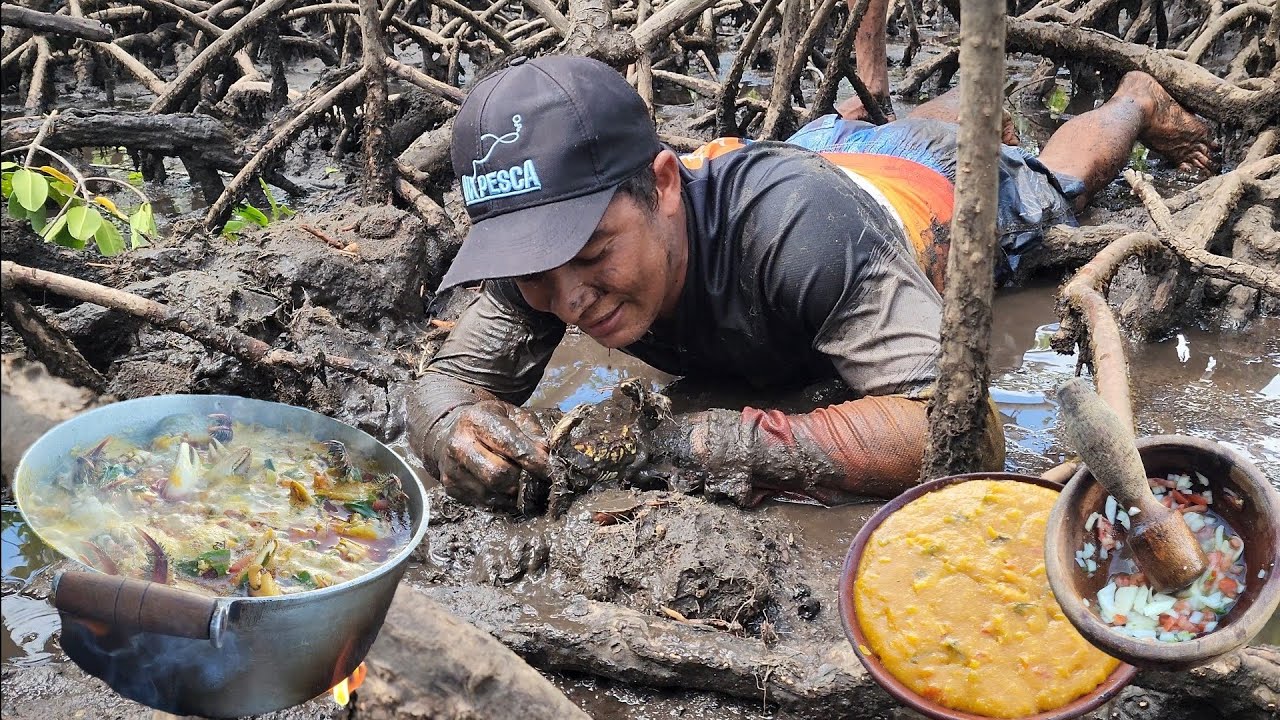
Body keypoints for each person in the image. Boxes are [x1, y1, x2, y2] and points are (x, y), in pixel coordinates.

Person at [406, 54, 1214, 512]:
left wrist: (684, 443)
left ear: (661, 185)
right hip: (817, 146)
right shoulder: (546, 258)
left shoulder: (801, 234)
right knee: (876, 138)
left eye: (591, 255)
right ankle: (956, 106)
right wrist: (452, 432)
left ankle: (1133, 101)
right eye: (536, 272)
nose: (570, 300)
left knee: (1050, 185)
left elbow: (957, 431)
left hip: (909, 197)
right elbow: (444, 384)